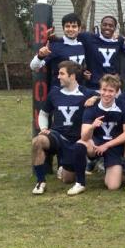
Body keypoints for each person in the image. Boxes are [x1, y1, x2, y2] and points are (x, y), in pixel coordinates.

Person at [30, 61, 97, 194]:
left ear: (72, 76)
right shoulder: (54, 92)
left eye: (62, 74)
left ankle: (67, 166)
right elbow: (44, 113)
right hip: (57, 136)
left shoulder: (87, 93)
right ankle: (40, 182)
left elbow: (108, 96)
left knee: (67, 179)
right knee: (37, 141)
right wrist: (43, 128)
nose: (58, 77)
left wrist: (96, 98)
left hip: (75, 141)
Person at [70, 74, 125, 195]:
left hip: (113, 146)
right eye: (104, 90)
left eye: (111, 91)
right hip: (95, 143)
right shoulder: (91, 106)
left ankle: (113, 169)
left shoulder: (124, 106)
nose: (107, 94)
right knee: (80, 144)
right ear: (100, 90)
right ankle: (80, 183)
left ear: (116, 92)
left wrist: (107, 145)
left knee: (113, 186)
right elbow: (84, 136)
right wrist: (92, 126)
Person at [30, 13, 86, 87]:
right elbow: (33, 66)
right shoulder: (55, 45)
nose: (70, 29)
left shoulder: (82, 45)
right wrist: (40, 56)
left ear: (79, 29)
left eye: (74, 26)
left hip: (78, 91)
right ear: (63, 28)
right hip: (59, 92)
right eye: (67, 26)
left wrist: (84, 74)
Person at [78, 15, 121, 88]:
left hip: (112, 86)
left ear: (115, 28)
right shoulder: (89, 38)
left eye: (111, 26)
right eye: (105, 25)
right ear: (100, 26)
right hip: (93, 86)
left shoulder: (119, 41)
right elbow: (71, 38)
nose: (107, 27)